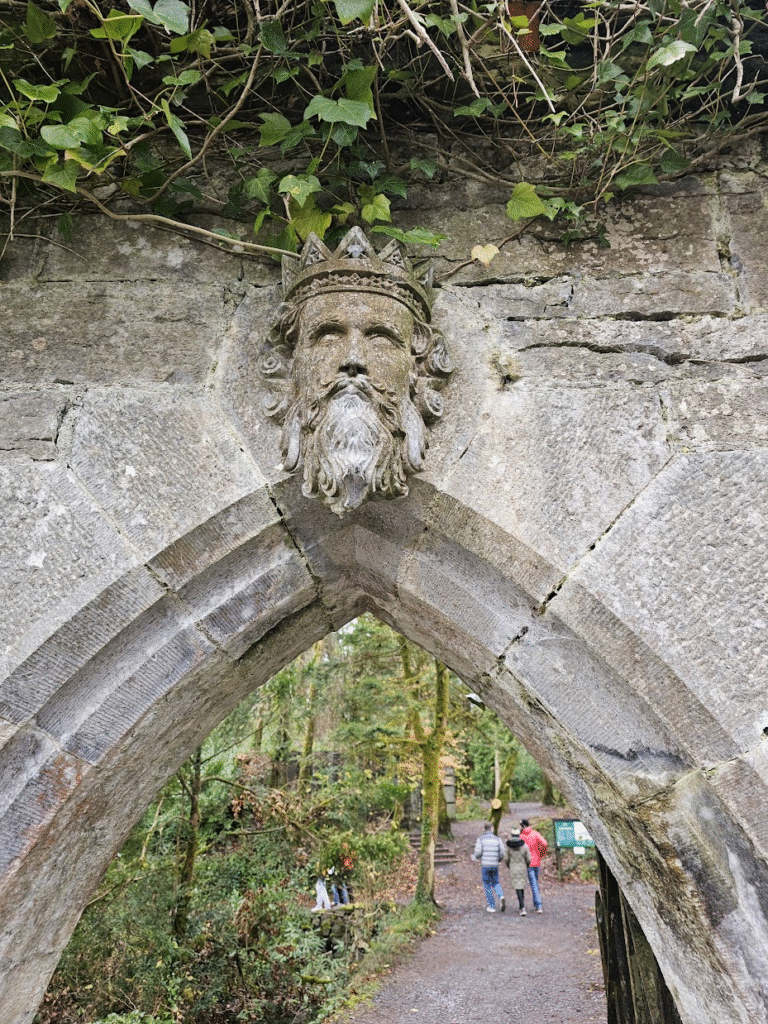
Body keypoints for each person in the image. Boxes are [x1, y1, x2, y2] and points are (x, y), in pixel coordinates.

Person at [472, 821, 506, 913]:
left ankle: (492, 906)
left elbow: (478, 853)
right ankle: (501, 896)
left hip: (485, 865)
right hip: (495, 864)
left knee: (487, 884)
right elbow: (502, 851)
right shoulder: (497, 839)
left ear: (485, 829)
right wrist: (499, 859)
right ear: (492, 828)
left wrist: (476, 857)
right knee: (495, 882)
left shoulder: (481, 839)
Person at [520, 818, 548, 913]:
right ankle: (537, 904)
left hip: (528, 863)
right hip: (537, 861)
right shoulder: (535, 833)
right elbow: (544, 843)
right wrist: (541, 854)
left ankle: (539, 905)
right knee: (535, 882)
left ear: (522, 826)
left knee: (534, 883)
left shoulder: (521, 836)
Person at [504, 827, 532, 916]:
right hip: (522, 867)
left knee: (518, 887)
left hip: (513, 868)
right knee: (521, 886)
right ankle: (522, 906)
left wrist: (509, 865)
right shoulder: (524, 846)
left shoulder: (509, 846)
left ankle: (522, 906)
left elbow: (506, 858)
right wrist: (527, 865)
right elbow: (528, 859)